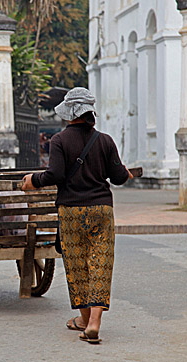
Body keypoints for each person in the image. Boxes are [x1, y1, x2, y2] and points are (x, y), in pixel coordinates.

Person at [21, 87, 133, 344]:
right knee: (100, 264)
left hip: (71, 211)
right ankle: (91, 322)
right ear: (89, 114)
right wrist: (124, 172)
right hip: (101, 211)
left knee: (77, 265)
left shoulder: (59, 140)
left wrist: (32, 181)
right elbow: (117, 178)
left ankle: (85, 319)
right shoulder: (105, 140)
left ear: (70, 113)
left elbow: (55, 175)